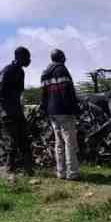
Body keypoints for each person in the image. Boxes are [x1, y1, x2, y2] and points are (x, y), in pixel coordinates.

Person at [41, 49, 80, 180]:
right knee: (69, 142)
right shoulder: (62, 70)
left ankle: (60, 172)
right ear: (61, 58)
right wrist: (75, 109)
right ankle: (72, 173)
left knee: (58, 143)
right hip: (64, 111)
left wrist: (45, 110)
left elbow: (44, 96)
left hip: (52, 112)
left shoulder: (45, 73)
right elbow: (68, 93)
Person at [0, 46, 33, 175]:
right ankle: (10, 169)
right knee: (13, 141)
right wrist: (3, 110)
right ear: (19, 57)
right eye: (27, 57)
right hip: (7, 112)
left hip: (16, 110)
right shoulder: (8, 70)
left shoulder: (21, 72)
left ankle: (28, 169)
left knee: (24, 140)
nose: (29, 60)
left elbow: (18, 93)